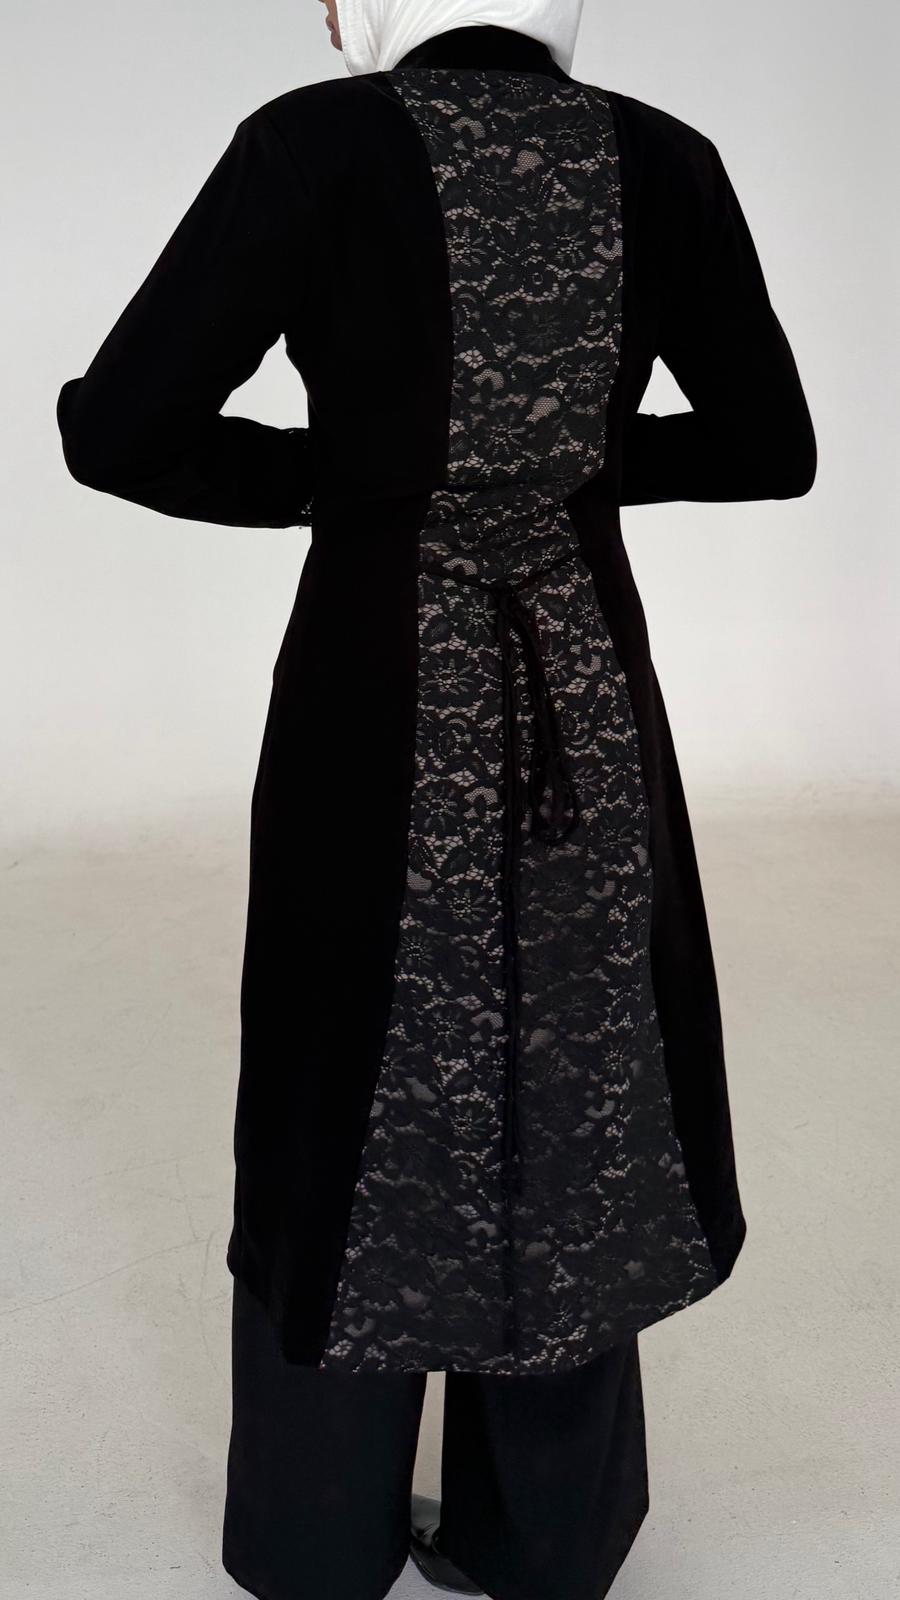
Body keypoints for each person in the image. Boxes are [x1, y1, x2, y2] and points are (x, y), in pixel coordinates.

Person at [55, 0, 817, 1595]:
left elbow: (118, 426)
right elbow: (770, 444)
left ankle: (316, 1539)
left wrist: (350, 472)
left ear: (362, 2)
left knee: (345, 1071)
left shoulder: (313, 146)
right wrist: (571, 465)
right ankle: (543, 1542)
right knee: (580, 1070)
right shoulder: (665, 161)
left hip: (374, 691)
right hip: (580, 695)